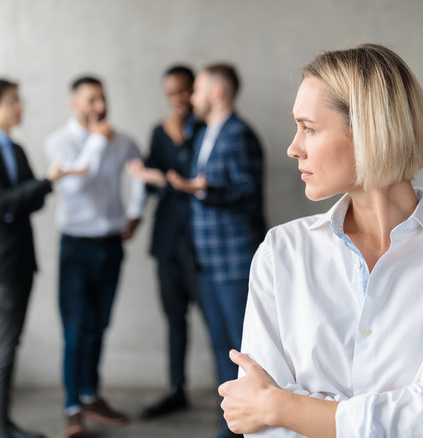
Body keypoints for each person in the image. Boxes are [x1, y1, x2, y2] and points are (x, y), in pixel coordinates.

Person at [217, 44, 423, 438]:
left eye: (309, 128)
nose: (293, 147)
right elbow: (264, 430)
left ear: (369, 130)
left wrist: (282, 405)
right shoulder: (280, 252)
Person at [0, 78, 82, 438]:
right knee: (0, 346)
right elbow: (4, 201)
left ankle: (2, 424)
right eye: (13, 101)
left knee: (10, 344)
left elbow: (31, 202)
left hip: (20, 260)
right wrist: (39, 184)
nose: (20, 107)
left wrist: (12, 198)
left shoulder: (15, 148)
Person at [166, 63, 266, 438]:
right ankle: (231, 427)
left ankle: (249, 427)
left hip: (235, 260)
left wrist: (203, 190)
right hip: (207, 261)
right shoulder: (207, 131)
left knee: (246, 354)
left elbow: (247, 193)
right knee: (223, 349)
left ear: (217, 93)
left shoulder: (240, 135)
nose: (190, 98)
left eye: (197, 91)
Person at [44, 75, 146, 438]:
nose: (99, 107)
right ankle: (72, 407)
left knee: (99, 325)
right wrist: (97, 144)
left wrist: (135, 214)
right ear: (74, 103)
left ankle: (90, 395)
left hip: (111, 246)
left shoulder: (123, 141)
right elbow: (72, 186)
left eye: (102, 99)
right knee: (75, 329)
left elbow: (140, 175)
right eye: (90, 100)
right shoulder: (59, 142)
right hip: (76, 246)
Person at [126, 65, 203, 419]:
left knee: (220, 323)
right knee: (174, 319)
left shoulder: (207, 128)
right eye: (171, 94)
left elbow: (199, 180)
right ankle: (176, 389)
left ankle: (232, 398)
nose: (178, 101)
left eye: (184, 92)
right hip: (168, 241)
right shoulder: (159, 131)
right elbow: (149, 180)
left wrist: (180, 145)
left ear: (195, 89)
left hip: (203, 243)